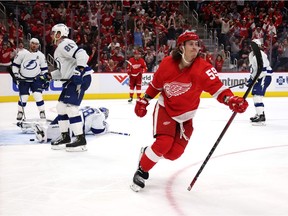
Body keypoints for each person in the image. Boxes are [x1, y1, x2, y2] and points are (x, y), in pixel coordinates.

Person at [130, 31, 249, 192]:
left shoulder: (203, 68)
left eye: (197, 44)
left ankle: (147, 153)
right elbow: (156, 85)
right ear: (181, 47)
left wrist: (231, 100)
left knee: (173, 154)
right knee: (163, 143)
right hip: (166, 107)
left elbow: (218, 89)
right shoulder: (167, 63)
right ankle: (141, 171)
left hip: (186, 115)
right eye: (191, 44)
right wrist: (145, 99)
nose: (195, 47)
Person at [49, 23, 93, 152]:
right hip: (72, 79)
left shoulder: (65, 44)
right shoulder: (59, 48)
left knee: (71, 108)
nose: (52, 35)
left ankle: (80, 140)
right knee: (61, 107)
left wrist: (79, 70)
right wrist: (49, 76)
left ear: (59, 34)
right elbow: (63, 72)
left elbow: (82, 54)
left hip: (80, 77)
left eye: (54, 32)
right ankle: (65, 136)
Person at [16, 106, 109, 143]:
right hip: (75, 126)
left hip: (67, 115)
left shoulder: (89, 107)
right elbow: (97, 131)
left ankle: (28, 125)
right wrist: (106, 128)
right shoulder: (99, 114)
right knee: (59, 133)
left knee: (56, 124)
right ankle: (44, 134)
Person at [12, 38, 49, 121]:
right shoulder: (22, 53)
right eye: (33, 43)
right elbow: (15, 65)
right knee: (24, 96)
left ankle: (42, 112)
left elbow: (44, 69)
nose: (34, 45)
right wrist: (15, 75)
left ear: (38, 45)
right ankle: (20, 112)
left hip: (36, 79)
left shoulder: (41, 55)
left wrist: (45, 79)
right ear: (29, 43)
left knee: (37, 95)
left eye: (36, 44)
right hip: (23, 79)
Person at [246, 39, 273, 125]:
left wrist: (253, 79)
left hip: (264, 77)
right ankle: (259, 113)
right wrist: (250, 80)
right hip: (260, 77)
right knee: (255, 95)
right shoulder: (252, 55)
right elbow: (254, 71)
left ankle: (261, 115)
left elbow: (263, 70)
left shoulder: (261, 55)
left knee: (257, 95)